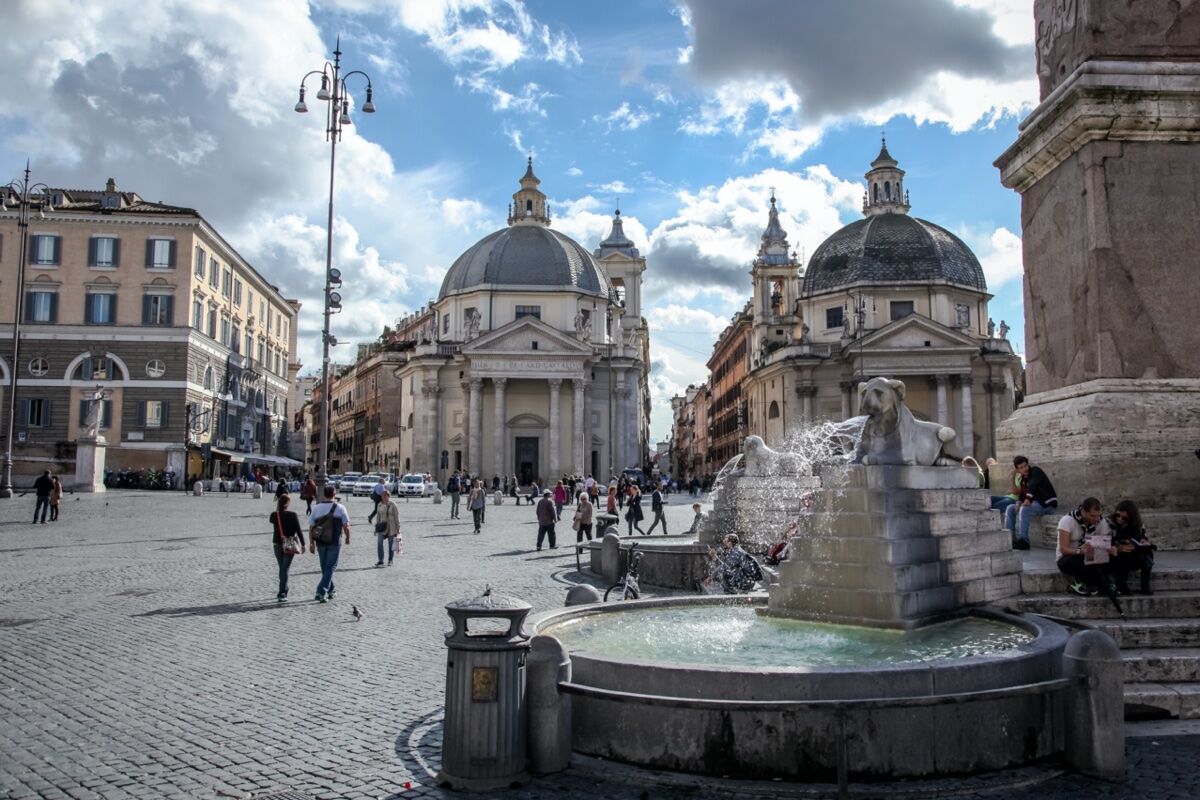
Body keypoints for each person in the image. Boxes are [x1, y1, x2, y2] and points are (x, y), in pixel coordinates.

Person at [1055, 497, 1121, 613]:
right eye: (1092, 516)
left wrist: (1111, 549)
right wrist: (1080, 551)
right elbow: (1063, 549)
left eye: (1097, 515)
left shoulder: (1101, 522)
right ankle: (1100, 584)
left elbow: (1107, 543)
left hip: (1093, 557)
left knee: (1115, 559)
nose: (1096, 519)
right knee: (1082, 563)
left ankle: (1100, 584)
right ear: (1084, 512)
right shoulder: (1067, 521)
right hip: (1070, 557)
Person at [1004, 455, 1058, 550]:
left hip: (1047, 504)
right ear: (1017, 470)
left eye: (1025, 466)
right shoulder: (1023, 480)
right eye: (1021, 468)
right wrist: (1018, 503)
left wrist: (1028, 499)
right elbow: (1022, 495)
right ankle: (1010, 540)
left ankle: (1024, 541)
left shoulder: (1036, 471)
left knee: (1025, 509)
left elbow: (1033, 484)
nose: (1025, 469)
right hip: (1035, 504)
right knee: (1010, 509)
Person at [308, 485, 350, 603]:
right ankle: (321, 591)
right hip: (335, 541)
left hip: (320, 541)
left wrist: (311, 543)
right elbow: (346, 526)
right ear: (334, 494)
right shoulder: (341, 508)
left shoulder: (316, 508)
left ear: (324, 494)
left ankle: (331, 590)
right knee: (330, 567)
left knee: (325, 567)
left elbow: (311, 527)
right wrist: (348, 537)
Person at [1109, 500, 1155, 595]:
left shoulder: (1138, 525)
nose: (1120, 519)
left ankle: (1145, 584)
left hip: (1133, 553)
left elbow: (1142, 537)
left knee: (1148, 552)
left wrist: (1144, 541)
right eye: (1118, 515)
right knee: (1124, 554)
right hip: (1115, 555)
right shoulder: (1109, 523)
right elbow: (1105, 542)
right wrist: (1119, 547)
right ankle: (1122, 584)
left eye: (1124, 518)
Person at [269, 494, 305, 602]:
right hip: (289, 543)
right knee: (284, 569)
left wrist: (278, 509)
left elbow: (272, 520)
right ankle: (282, 593)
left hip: (277, 543)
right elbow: (299, 530)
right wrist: (303, 544)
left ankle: (284, 588)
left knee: (282, 568)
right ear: (288, 503)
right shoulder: (293, 515)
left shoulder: (274, 515)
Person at [375, 489, 401, 567]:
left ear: (389, 496)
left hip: (391, 527)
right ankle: (380, 560)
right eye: (382, 495)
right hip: (382, 527)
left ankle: (390, 560)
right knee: (379, 543)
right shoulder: (379, 505)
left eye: (386, 495)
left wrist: (398, 529)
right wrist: (376, 528)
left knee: (391, 545)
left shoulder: (393, 505)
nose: (384, 497)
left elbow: (397, 517)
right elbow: (378, 517)